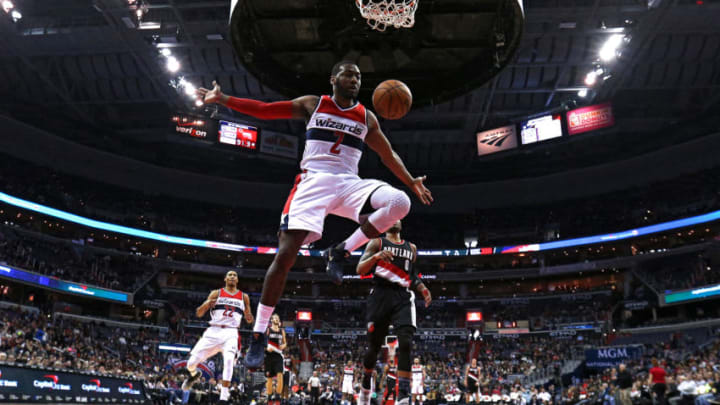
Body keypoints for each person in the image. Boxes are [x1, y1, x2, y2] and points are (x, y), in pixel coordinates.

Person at [196, 61, 433, 369]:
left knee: (401, 203)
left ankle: (341, 251)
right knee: (285, 256)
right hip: (313, 182)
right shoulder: (313, 104)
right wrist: (224, 99)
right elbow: (266, 110)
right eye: (348, 74)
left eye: (359, 76)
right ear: (333, 77)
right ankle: (258, 333)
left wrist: (411, 179)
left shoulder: (367, 117)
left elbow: (388, 154)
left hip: (350, 183)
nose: (354, 80)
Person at [355, 220, 432, 405]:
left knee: (405, 342)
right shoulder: (377, 243)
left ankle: (404, 395)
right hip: (380, 295)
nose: (395, 219)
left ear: (402, 223)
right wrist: (376, 257)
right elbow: (359, 269)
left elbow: (411, 275)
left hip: (403, 296)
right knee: (373, 347)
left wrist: (422, 288)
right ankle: (366, 381)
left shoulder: (411, 248)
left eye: (398, 217)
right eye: (392, 217)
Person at [180, 270, 253, 405]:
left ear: (237, 280)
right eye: (230, 275)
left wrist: (249, 316)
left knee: (229, 361)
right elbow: (199, 313)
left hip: (231, 332)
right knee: (191, 363)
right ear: (225, 279)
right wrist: (207, 304)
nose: (232, 277)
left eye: (234, 275)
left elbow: (249, 320)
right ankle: (194, 374)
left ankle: (223, 398)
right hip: (213, 331)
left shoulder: (244, 297)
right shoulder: (216, 293)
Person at [266, 314, 287, 405]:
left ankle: (278, 396)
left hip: (278, 355)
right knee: (269, 378)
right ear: (271, 320)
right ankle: (270, 396)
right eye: (275, 318)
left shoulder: (282, 331)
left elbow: (285, 343)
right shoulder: (268, 330)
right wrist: (266, 347)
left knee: (280, 375)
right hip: (269, 355)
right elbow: (263, 341)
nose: (277, 319)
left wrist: (283, 345)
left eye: (278, 318)